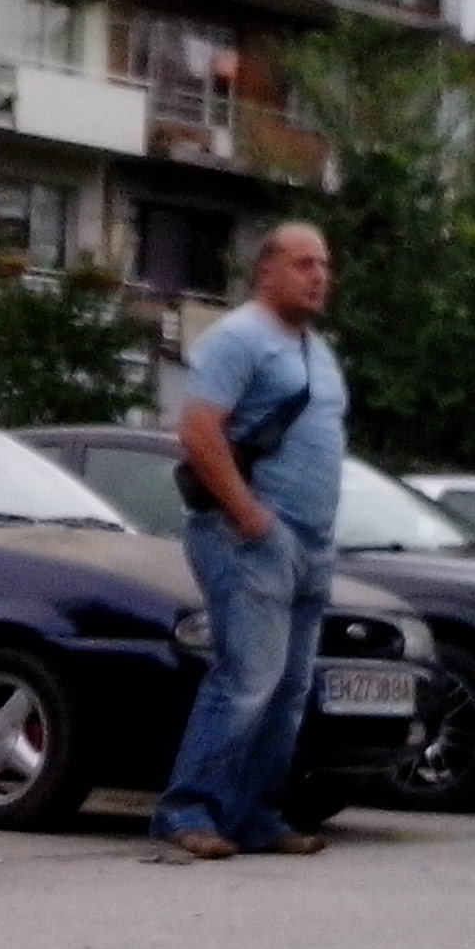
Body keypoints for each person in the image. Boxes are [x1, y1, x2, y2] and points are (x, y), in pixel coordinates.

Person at [155, 220, 348, 861]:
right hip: (250, 535)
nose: (319, 276)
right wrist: (249, 515)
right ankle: (188, 812)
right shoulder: (240, 338)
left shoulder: (316, 350)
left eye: (324, 265)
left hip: (311, 541)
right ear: (265, 271)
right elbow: (198, 429)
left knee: (288, 691)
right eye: (303, 263)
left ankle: (256, 816)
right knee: (247, 681)